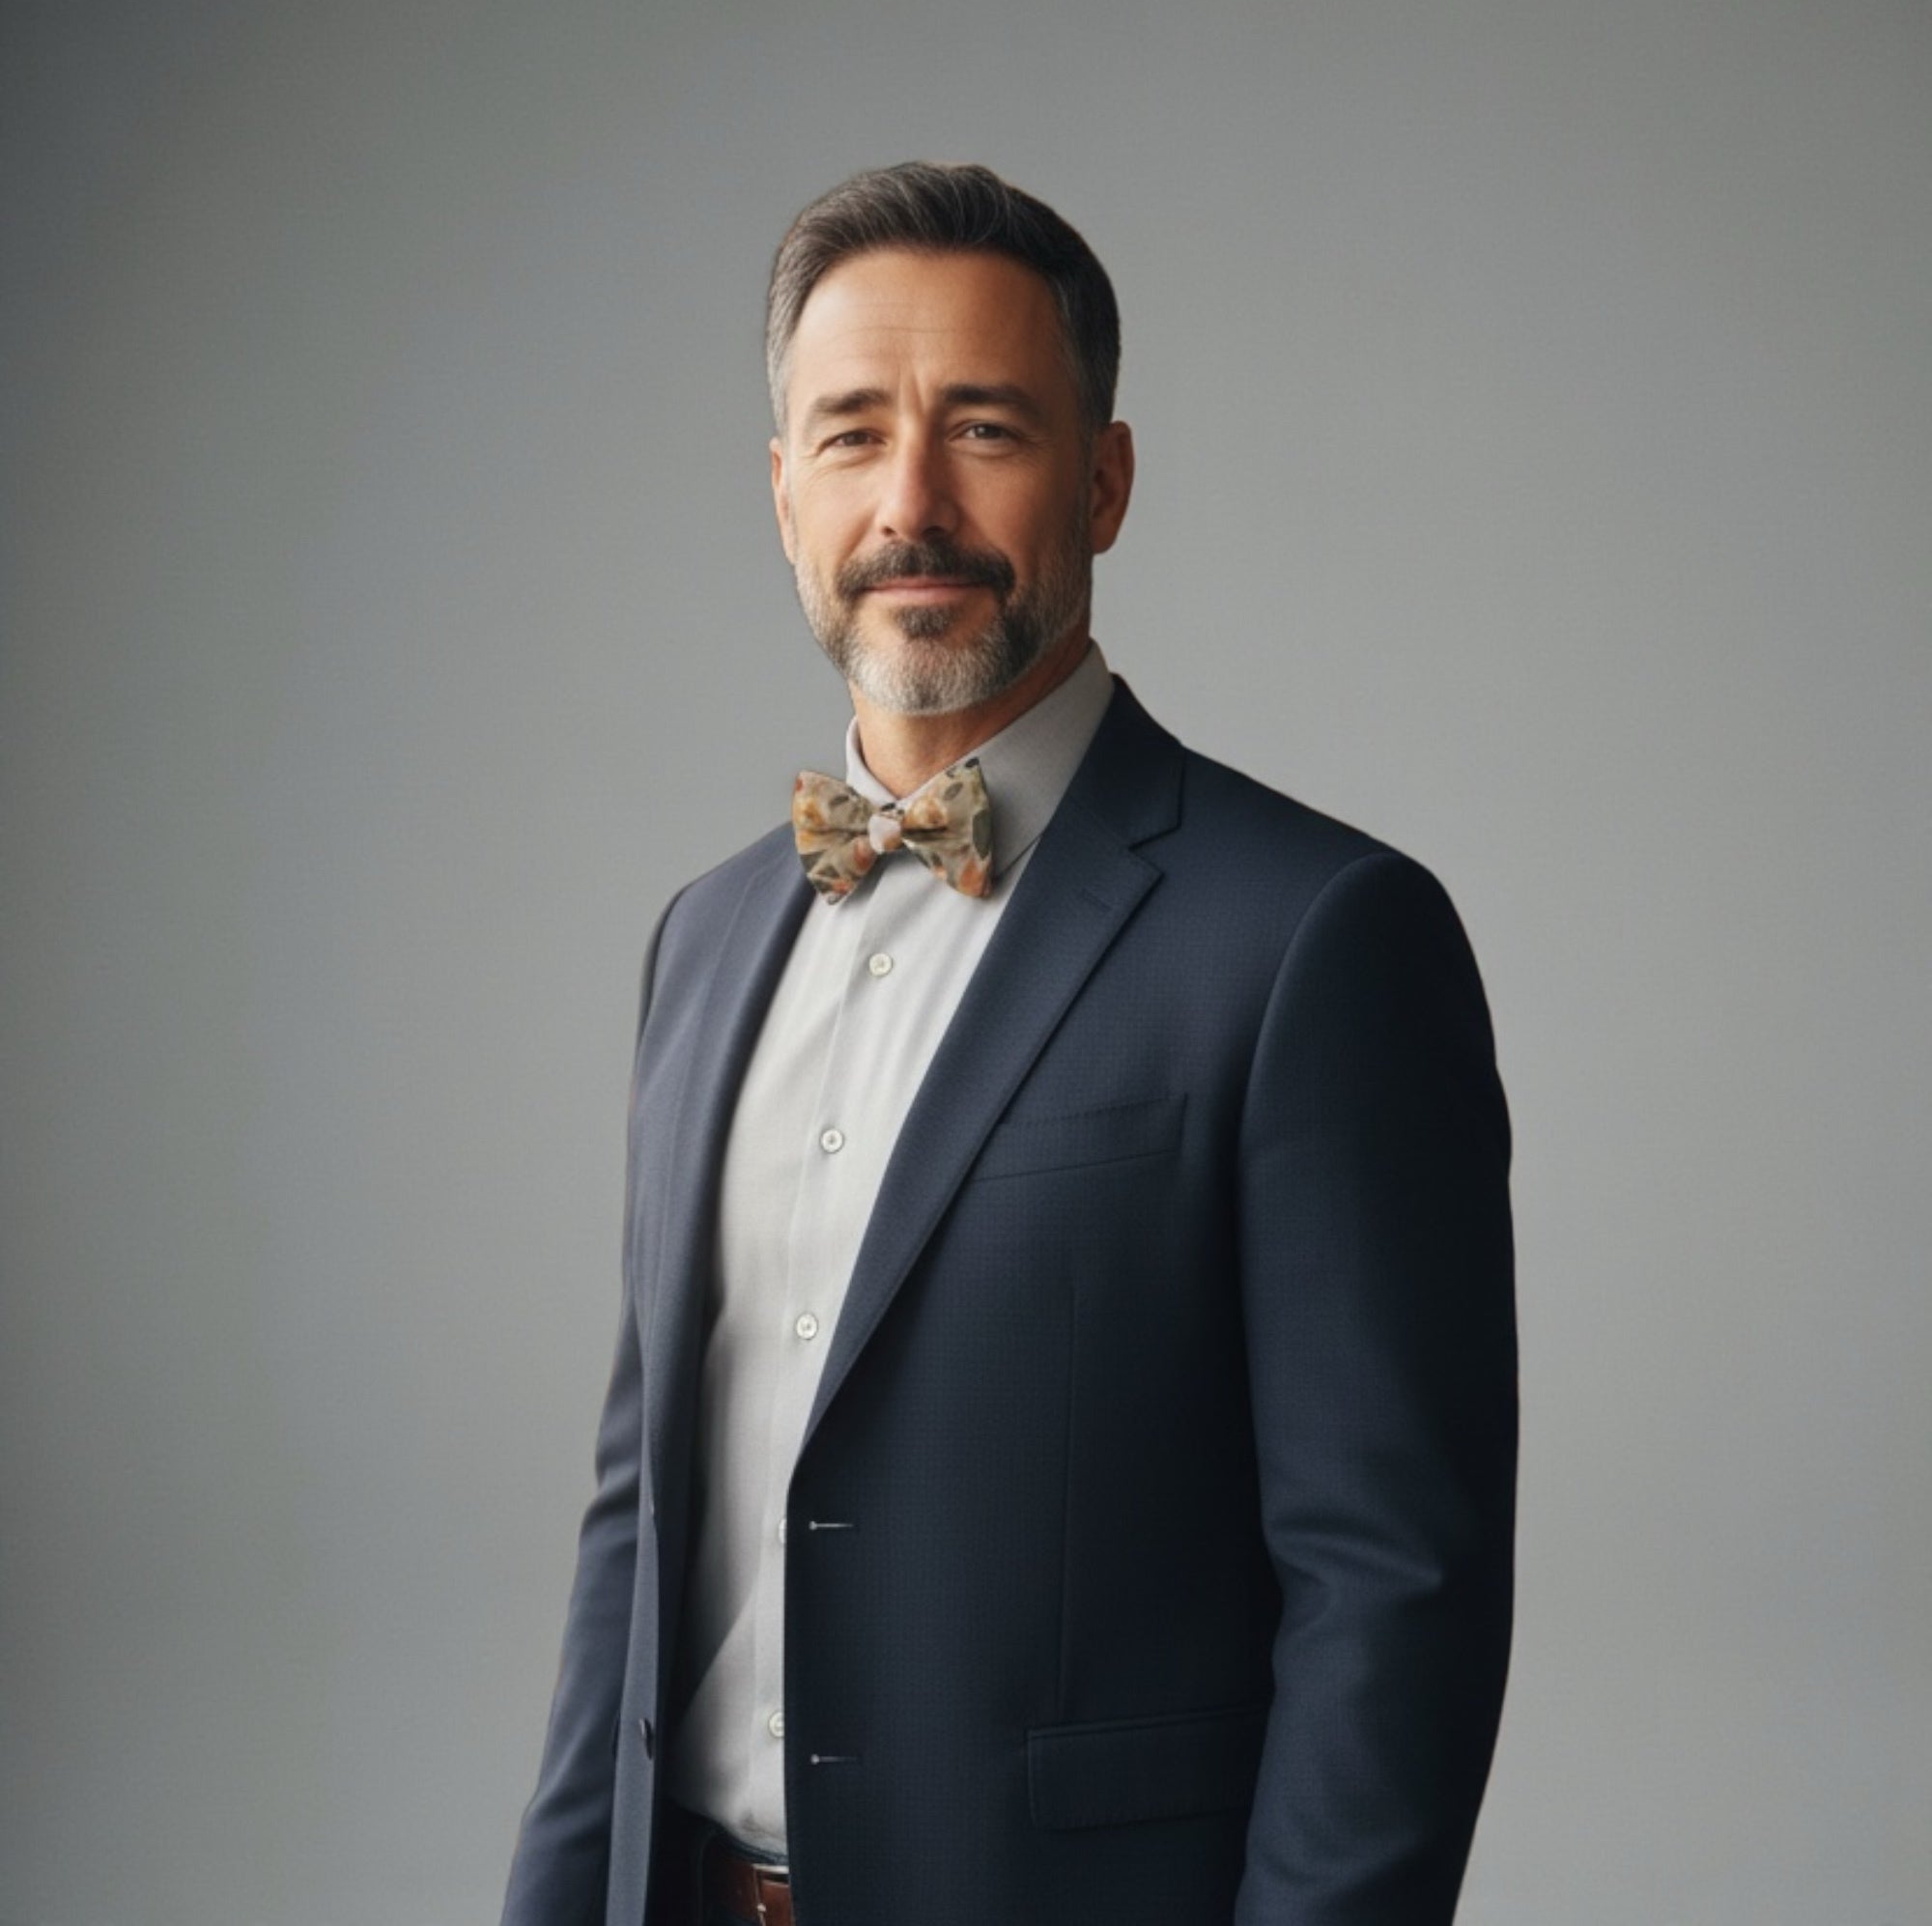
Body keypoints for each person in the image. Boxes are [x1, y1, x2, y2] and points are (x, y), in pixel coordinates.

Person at [500, 160, 1516, 1926]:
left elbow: (1393, 1597)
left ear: (1102, 481)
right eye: (851, 435)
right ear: (782, 494)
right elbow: (634, 1538)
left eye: (983, 429)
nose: (912, 504)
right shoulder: (702, 943)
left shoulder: (1319, 940)